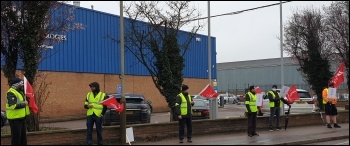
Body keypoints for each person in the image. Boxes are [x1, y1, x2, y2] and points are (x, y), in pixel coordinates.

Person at [6, 78, 30, 145]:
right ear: (16, 84)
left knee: (23, 138)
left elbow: (23, 102)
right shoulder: (11, 92)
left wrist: (27, 101)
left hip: (21, 118)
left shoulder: (20, 92)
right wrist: (24, 104)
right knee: (16, 138)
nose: (22, 85)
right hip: (15, 119)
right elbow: (12, 105)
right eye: (21, 83)